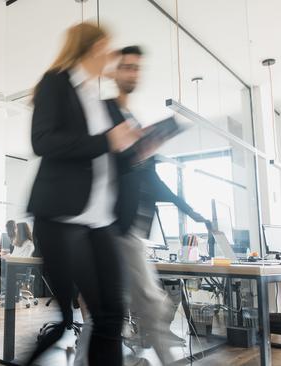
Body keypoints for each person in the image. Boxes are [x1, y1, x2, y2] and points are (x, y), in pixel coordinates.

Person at [74, 45, 210, 366]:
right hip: (109, 225)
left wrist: (189, 210)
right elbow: (105, 159)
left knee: (121, 309)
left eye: (137, 68)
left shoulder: (131, 119)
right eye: (127, 67)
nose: (133, 73)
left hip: (128, 227)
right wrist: (142, 144)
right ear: (115, 72)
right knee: (142, 306)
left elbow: (151, 178)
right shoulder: (105, 110)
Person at [25, 22, 142, 366]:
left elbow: (110, 155)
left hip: (101, 220)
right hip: (63, 217)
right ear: (92, 48)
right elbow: (42, 141)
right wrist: (107, 141)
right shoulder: (56, 83)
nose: (111, 55)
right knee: (66, 321)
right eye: (107, 47)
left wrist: (135, 150)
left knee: (111, 315)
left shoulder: (98, 97)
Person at [0, 222, 35, 306]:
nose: (16, 231)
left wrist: (8, 258)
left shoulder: (29, 244)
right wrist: (7, 256)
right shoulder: (18, 243)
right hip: (12, 265)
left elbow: (24, 259)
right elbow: (15, 255)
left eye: (17, 229)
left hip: (20, 267)